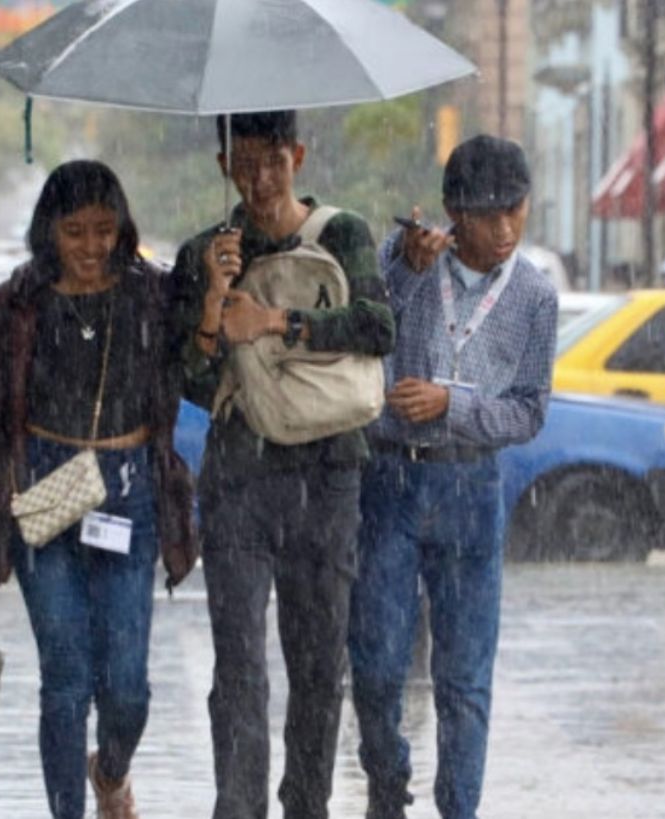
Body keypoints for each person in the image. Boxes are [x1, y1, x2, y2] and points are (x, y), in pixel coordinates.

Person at [0, 160, 194, 819]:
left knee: (127, 688)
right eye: (75, 231)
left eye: (104, 230)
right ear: (49, 230)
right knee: (65, 681)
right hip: (44, 491)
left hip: (129, 490)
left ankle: (109, 772)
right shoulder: (16, 304)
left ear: (123, 229)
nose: (90, 246)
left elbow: (204, 358)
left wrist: (218, 289)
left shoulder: (153, 295)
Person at [172, 110, 395, 819]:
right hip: (239, 476)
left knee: (319, 663)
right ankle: (238, 807)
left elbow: (378, 327)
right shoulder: (205, 251)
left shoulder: (343, 234)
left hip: (330, 474)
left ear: (298, 156)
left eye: (274, 161)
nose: (261, 179)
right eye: (245, 164)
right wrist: (214, 303)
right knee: (239, 664)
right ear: (224, 166)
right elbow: (191, 381)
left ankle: (307, 804)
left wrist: (277, 322)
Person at [348, 134, 559, 819]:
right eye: (487, 215)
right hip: (391, 479)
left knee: (465, 677)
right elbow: (366, 334)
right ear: (454, 212)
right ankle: (387, 779)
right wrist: (407, 271)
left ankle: (459, 808)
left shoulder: (535, 296)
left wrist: (453, 404)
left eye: (515, 211)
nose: (504, 230)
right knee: (376, 661)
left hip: (472, 486)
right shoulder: (406, 257)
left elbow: (529, 411)